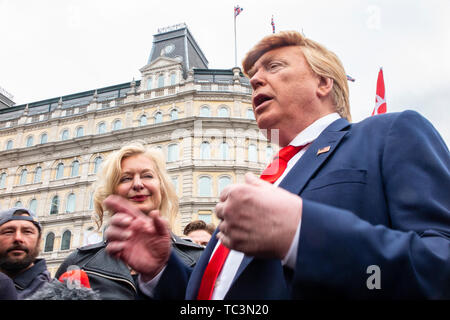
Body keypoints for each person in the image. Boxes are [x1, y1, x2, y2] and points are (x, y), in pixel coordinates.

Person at [104, 31, 450, 299]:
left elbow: (440, 265)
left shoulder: (388, 133)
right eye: (254, 74)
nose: (255, 79)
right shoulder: (265, 179)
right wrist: (162, 270)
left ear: (323, 82)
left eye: (274, 67)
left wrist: (302, 233)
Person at [55, 143, 204, 299]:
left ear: (162, 187)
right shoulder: (78, 263)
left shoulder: (199, 258)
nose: (138, 184)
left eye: (147, 175)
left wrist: (161, 272)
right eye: (125, 178)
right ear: (112, 192)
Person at [0, 207, 51, 299]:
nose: (18, 238)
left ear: (39, 240)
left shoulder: (57, 293)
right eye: (8, 232)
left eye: (27, 232)